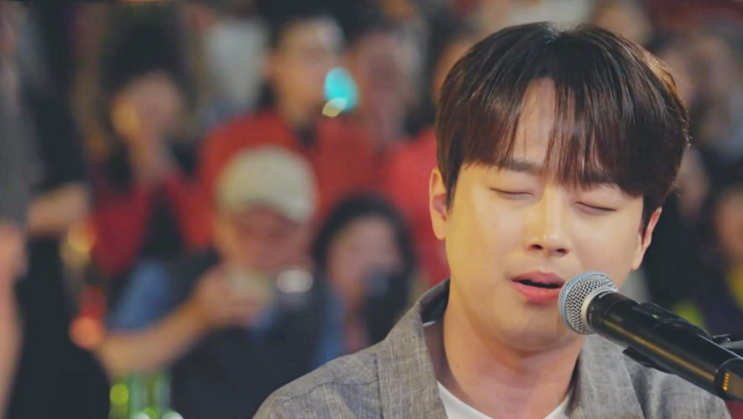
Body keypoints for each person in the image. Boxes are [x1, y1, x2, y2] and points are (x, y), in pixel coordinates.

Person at [254, 23, 731, 419]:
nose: (549, 236)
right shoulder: (314, 413)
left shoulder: (681, 409)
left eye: (594, 204)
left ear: (643, 235)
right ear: (442, 204)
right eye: (513, 191)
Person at [96, 146, 340, 419]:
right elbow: (112, 362)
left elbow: (329, 395)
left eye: (277, 234)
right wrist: (197, 316)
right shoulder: (166, 277)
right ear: (217, 221)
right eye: (244, 230)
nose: (258, 247)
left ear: (307, 232)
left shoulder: (319, 297)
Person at [198, 8, 378, 222]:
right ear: (272, 65)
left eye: (334, 54)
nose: (328, 66)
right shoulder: (233, 142)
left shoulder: (353, 141)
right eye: (312, 55)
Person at [89, 17, 211, 292]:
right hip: (123, 298)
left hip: (196, 290)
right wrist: (142, 174)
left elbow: (203, 241)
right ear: (113, 100)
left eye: (159, 85)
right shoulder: (106, 169)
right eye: (136, 87)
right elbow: (113, 258)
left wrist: (167, 174)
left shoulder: (199, 157)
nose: (149, 101)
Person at [384, 24, 481, 285]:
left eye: (481, 74)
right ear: (435, 80)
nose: (469, 87)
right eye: (456, 71)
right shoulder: (405, 160)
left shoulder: (515, 161)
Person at [311, 195, 417, 355]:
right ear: (326, 257)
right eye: (356, 250)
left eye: (383, 250)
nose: (371, 262)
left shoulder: (416, 332)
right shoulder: (303, 326)